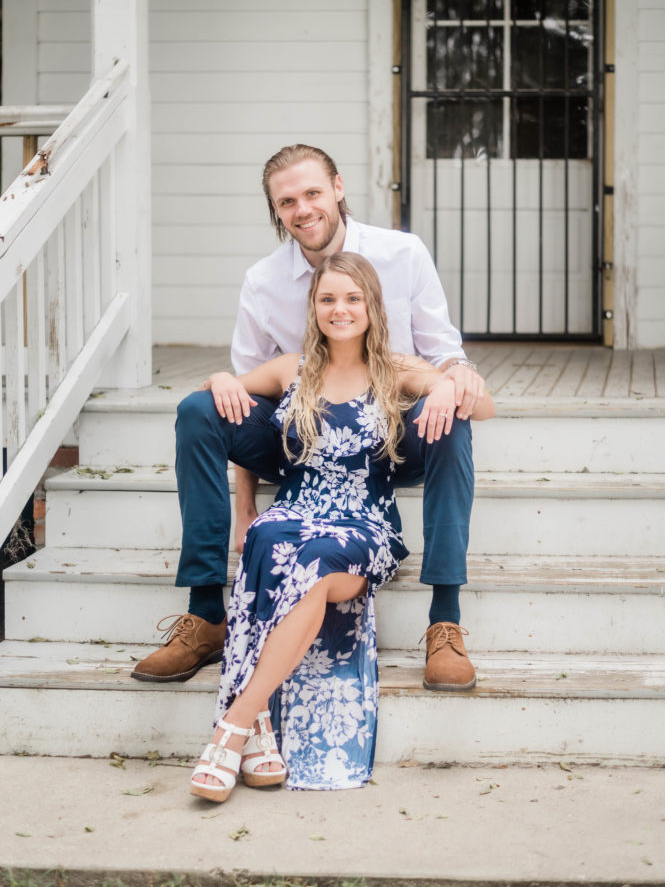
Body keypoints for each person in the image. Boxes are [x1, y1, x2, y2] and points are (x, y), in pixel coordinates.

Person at [132, 143, 488, 691]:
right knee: (199, 410)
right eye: (287, 201)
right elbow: (242, 397)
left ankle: (445, 619)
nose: (303, 209)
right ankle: (205, 613)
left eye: (313, 193)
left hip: (392, 435)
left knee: (452, 419)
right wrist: (245, 502)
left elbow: (445, 352)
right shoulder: (263, 282)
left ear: (338, 189)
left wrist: (451, 382)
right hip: (304, 443)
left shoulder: (402, 253)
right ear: (277, 211)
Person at [189, 252, 494, 801]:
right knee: (272, 538)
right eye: (328, 298)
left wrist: (451, 382)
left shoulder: (398, 370)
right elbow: (227, 392)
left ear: (373, 307)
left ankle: (232, 726)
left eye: (353, 298)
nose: (340, 309)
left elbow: (486, 405)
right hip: (292, 512)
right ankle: (255, 733)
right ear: (313, 307)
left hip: (362, 523)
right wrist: (216, 377)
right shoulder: (292, 368)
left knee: (313, 562)